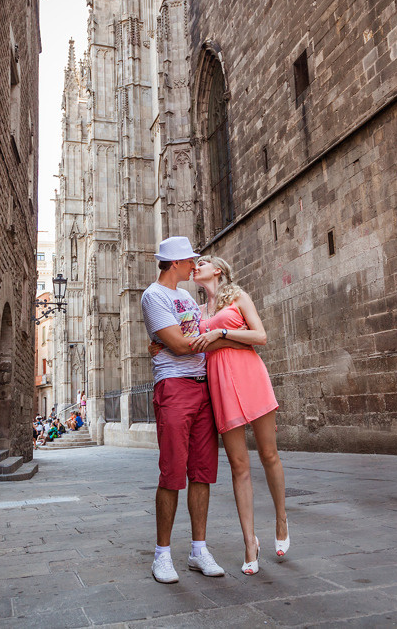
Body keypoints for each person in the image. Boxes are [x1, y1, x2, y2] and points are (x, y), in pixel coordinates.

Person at [140, 236, 248, 584]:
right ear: (174, 263)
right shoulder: (154, 296)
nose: (193, 265)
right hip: (174, 386)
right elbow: (179, 344)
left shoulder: (186, 297)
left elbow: (197, 333)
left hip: (203, 387)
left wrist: (212, 336)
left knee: (202, 472)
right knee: (172, 472)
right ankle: (162, 555)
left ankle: (198, 550)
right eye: (189, 261)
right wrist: (219, 340)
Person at [189, 255, 289, 575]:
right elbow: (197, 348)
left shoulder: (238, 296)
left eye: (203, 262)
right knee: (238, 466)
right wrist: (230, 338)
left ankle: (281, 519)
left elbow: (260, 337)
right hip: (221, 385)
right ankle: (249, 542)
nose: (196, 266)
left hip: (250, 376)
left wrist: (220, 335)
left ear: (218, 270)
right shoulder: (197, 311)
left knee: (269, 454)